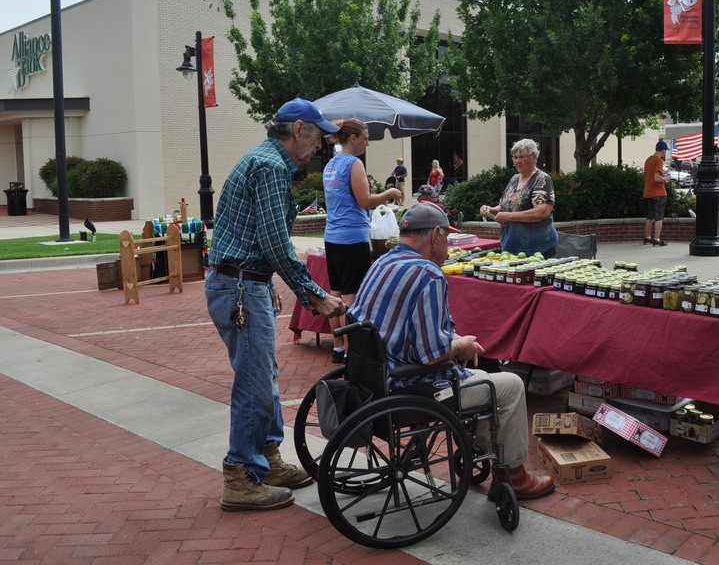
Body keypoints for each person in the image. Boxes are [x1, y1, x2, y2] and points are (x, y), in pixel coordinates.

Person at [349, 203, 556, 501]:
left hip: (376, 378)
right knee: (509, 386)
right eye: (446, 237)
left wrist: (455, 339)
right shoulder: (428, 274)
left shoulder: (381, 263)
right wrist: (461, 346)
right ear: (435, 235)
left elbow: (407, 326)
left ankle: (489, 453)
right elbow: (431, 354)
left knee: (483, 379)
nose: (447, 245)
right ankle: (514, 475)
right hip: (414, 388)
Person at [206, 97, 346, 512]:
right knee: (254, 384)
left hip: (242, 284)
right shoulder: (269, 167)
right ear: (298, 129)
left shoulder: (266, 161)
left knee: (262, 376)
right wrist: (314, 294)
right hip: (238, 288)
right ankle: (241, 476)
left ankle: (266, 458)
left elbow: (261, 244)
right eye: (317, 133)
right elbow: (274, 244)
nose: (320, 142)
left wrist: (264, 282)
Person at [323, 118, 403, 362]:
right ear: (354, 138)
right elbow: (365, 201)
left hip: (332, 236)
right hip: (352, 237)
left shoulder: (330, 165)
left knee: (334, 293)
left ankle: (338, 347)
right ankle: (351, 352)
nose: (368, 143)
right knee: (350, 297)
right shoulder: (353, 164)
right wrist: (390, 192)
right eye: (366, 138)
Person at [478, 138, 558, 257]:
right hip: (510, 246)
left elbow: (542, 212)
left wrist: (508, 216)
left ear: (535, 157)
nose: (517, 161)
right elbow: (507, 205)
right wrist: (491, 210)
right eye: (515, 157)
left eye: (522, 157)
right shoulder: (515, 179)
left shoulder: (542, 179)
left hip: (536, 249)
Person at [642, 140, 670, 247]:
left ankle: (647, 238)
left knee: (650, 217)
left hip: (648, 192)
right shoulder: (659, 160)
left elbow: (651, 174)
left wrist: (663, 173)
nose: (665, 153)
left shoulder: (648, 160)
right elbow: (657, 178)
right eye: (665, 151)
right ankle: (657, 239)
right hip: (659, 193)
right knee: (659, 217)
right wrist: (666, 178)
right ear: (663, 150)